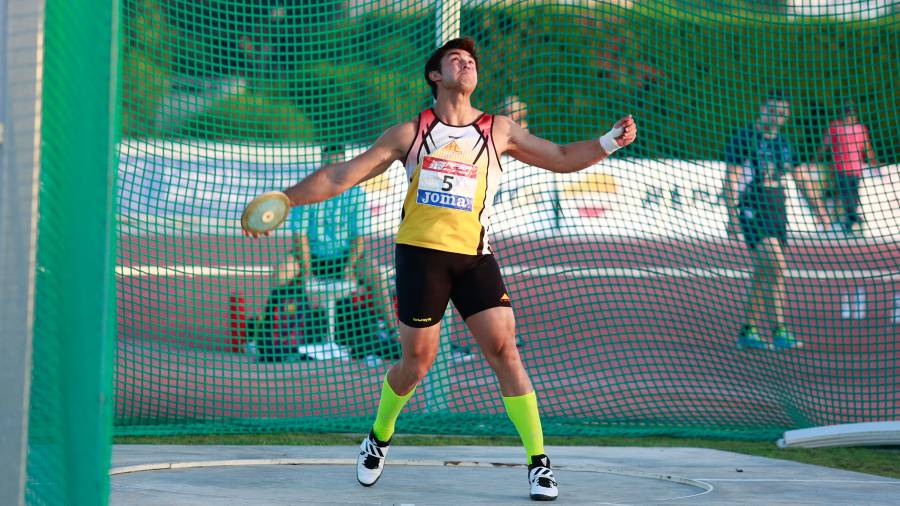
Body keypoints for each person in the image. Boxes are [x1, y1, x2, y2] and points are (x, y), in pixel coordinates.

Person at [245, 37, 637, 501]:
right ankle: (379, 435)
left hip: (474, 257)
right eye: (456, 59)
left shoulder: (499, 130)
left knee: (504, 349)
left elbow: (562, 158)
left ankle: (538, 463)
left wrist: (610, 141)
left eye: (471, 61)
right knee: (416, 364)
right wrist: (287, 199)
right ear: (436, 75)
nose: (467, 64)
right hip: (420, 257)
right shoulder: (411, 132)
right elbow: (340, 175)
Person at [724, 91, 830, 351]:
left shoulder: (783, 143)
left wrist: (819, 210)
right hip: (752, 206)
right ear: (762, 109)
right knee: (776, 264)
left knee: (766, 271)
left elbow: (799, 178)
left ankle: (748, 331)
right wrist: (732, 216)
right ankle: (779, 329)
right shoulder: (745, 138)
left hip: (777, 208)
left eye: (781, 112)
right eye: (772, 110)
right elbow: (731, 179)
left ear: (787, 116)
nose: (776, 116)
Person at [273, 144, 397, 344]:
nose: (332, 168)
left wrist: (349, 267)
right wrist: (306, 271)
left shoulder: (356, 193)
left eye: (337, 163)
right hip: (311, 257)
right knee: (281, 273)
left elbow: (359, 239)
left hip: (346, 258)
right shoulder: (308, 191)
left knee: (377, 276)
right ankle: (274, 332)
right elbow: (300, 237)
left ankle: (393, 331)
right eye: (328, 163)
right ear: (322, 165)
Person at [815, 101, 879, 236]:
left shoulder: (860, 129)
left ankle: (851, 222)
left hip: (856, 169)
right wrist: (815, 160)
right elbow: (825, 145)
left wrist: (874, 162)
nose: (850, 117)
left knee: (853, 197)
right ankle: (849, 220)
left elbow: (866, 147)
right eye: (848, 113)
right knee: (844, 195)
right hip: (839, 169)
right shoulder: (835, 127)